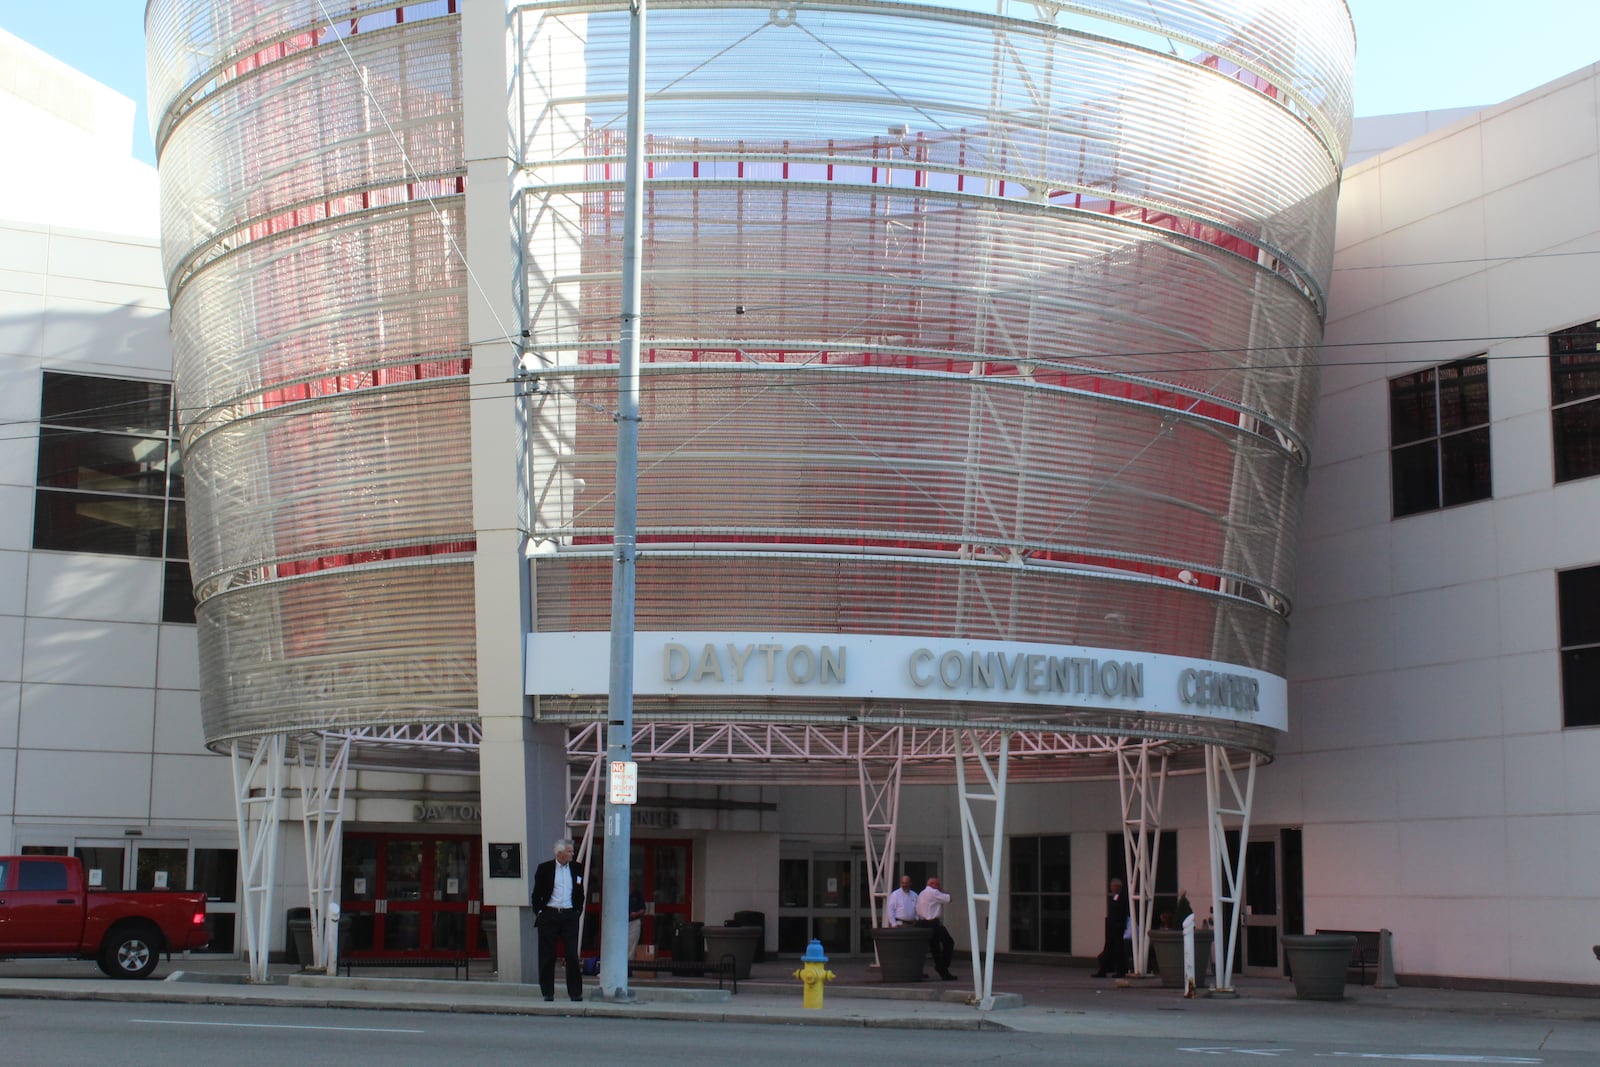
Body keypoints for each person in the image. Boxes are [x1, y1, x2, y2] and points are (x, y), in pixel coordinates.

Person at [531, 838, 585, 1002]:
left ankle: (575, 993)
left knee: (572, 955)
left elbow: (580, 892)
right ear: (559, 853)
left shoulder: (577, 868)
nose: (572, 854)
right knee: (547, 955)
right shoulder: (545, 868)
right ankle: (548, 992)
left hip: (569, 915)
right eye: (569, 851)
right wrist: (540, 912)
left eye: (572, 851)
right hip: (550, 914)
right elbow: (536, 893)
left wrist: (577, 911)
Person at [915, 875, 957, 981]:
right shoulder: (934, 892)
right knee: (949, 942)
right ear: (932, 884)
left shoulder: (921, 893)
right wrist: (941, 890)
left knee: (935, 948)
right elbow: (949, 898)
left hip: (923, 922)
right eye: (937, 884)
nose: (938, 886)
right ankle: (943, 966)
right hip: (932, 923)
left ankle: (943, 972)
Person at [1093, 877, 1131, 977]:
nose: (1111, 888)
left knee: (1118, 949)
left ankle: (1120, 971)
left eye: (1112, 886)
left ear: (1117, 887)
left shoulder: (1121, 897)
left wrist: (1118, 924)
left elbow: (1120, 912)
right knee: (1109, 949)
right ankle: (1104, 970)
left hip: (1117, 927)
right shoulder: (1115, 897)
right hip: (1112, 926)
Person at [627, 879, 647, 960]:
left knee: (632, 943)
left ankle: (629, 963)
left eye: (631, 885)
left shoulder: (637, 895)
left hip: (634, 922)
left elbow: (643, 909)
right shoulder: (621, 894)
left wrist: (636, 914)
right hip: (622, 923)